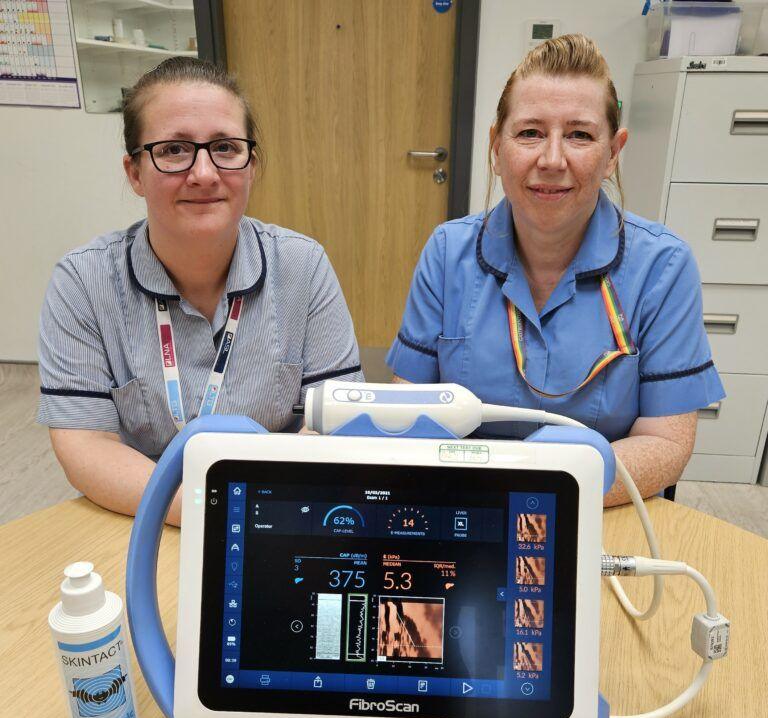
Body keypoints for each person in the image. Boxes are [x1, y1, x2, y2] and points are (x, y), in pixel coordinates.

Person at [386, 34, 725, 507]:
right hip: (465, 510)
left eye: (580, 135)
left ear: (613, 153)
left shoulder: (662, 267)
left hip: (599, 510)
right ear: (496, 145)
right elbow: (408, 414)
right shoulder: (448, 253)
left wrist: (548, 490)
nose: (551, 160)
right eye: (530, 133)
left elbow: (666, 442)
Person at [38, 57, 363, 525]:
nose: (205, 173)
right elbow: (85, 443)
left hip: (282, 515)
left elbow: (338, 421)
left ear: (251, 165)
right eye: (174, 150)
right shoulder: (83, 282)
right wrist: (207, 510)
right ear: (134, 172)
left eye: (226, 147)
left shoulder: (302, 266)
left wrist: (263, 511)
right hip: (148, 516)